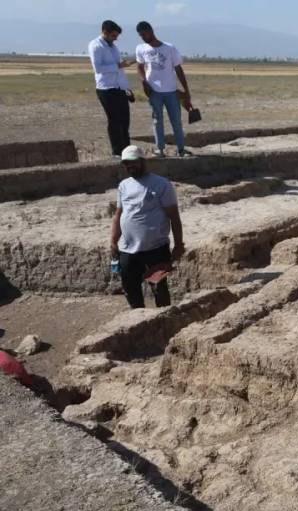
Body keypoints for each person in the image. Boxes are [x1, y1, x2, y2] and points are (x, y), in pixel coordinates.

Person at [110, 145, 185, 308]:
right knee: (131, 290)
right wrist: (113, 240)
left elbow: (174, 216)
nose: (130, 166)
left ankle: (164, 323)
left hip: (155, 249)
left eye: (133, 162)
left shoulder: (161, 184)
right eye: (126, 163)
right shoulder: (124, 185)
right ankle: (139, 324)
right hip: (128, 250)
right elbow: (118, 214)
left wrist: (179, 244)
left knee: (159, 290)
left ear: (143, 161)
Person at [134, 21, 192, 158]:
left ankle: (181, 149)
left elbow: (178, 69)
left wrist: (186, 90)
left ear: (151, 31)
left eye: (144, 34)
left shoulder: (169, 48)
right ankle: (160, 149)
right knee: (157, 120)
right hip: (154, 92)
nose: (143, 37)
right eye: (140, 35)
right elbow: (140, 67)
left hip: (171, 91)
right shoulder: (141, 49)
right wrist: (144, 82)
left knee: (176, 121)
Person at [88, 20, 135, 158]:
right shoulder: (95, 46)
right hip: (106, 89)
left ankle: (127, 151)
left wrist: (126, 87)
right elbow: (98, 68)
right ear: (105, 32)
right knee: (114, 120)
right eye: (114, 35)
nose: (116, 38)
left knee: (125, 120)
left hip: (119, 88)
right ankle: (116, 152)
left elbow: (119, 69)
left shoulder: (113, 47)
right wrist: (119, 66)